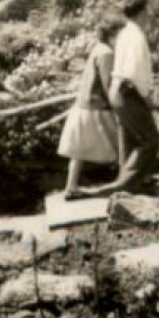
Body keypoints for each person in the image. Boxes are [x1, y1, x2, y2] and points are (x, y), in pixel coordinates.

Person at [72, 0, 159, 197]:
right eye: (148, 11)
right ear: (141, 13)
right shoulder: (136, 36)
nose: (151, 15)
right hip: (127, 90)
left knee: (131, 139)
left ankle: (137, 182)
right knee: (150, 140)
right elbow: (133, 70)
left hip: (119, 90)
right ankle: (123, 185)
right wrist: (146, 94)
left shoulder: (125, 34)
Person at [59, 11, 126, 195]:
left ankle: (71, 186)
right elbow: (107, 83)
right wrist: (116, 105)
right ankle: (125, 181)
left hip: (84, 105)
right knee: (120, 141)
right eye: (120, 33)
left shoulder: (98, 48)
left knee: (78, 149)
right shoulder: (106, 54)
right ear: (112, 33)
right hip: (97, 108)